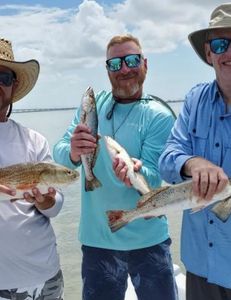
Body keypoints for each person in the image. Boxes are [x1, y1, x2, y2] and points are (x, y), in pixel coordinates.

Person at [53, 34, 177, 300]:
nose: (124, 69)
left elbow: (157, 180)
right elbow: (60, 154)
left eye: (131, 60)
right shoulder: (92, 106)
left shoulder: (159, 115)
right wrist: (73, 151)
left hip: (149, 242)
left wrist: (137, 172)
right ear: (107, 69)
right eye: (115, 63)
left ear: (145, 64)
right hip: (98, 242)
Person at [159, 3, 231, 300]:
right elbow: (167, 159)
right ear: (209, 52)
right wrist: (192, 162)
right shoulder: (195, 99)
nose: (229, 52)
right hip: (201, 263)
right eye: (220, 43)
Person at [0, 38, 64, 299]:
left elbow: (57, 204)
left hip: (42, 277)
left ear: (14, 86)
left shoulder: (34, 140)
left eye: (3, 77)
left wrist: (48, 200)